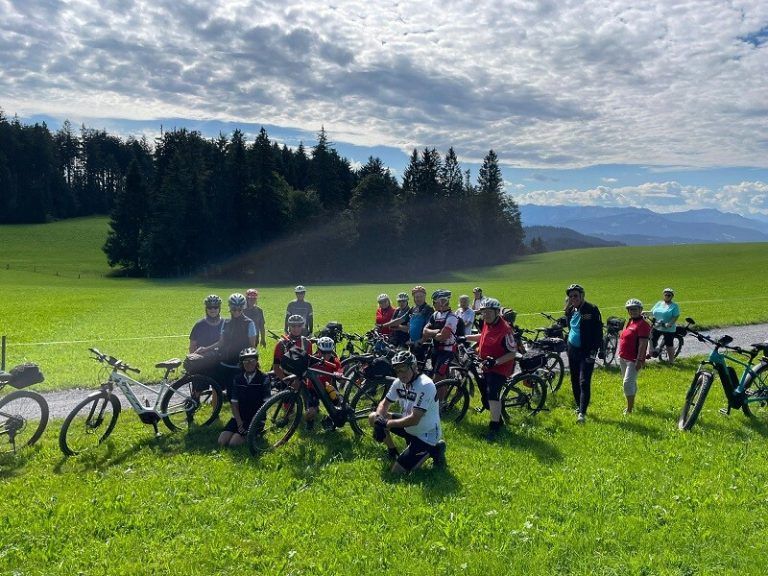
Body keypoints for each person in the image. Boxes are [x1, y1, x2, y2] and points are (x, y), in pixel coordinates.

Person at [368, 350, 446, 474]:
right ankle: (393, 452)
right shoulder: (399, 382)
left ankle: (435, 449)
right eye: (397, 370)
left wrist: (386, 424)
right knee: (373, 417)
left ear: (414, 367)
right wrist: (378, 420)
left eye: (403, 369)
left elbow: (414, 419)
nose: (400, 374)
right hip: (408, 428)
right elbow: (384, 403)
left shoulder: (425, 385)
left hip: (425, 434)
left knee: (397, 473)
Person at [464, 297, 517, 440]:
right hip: (486, 363)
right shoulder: (488, 323)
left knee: (492, 393)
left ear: (496, 312)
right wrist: (465, 337)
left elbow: (512, 353)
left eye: (488, 312)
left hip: (500, 367)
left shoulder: (505, 330)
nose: (485, 315)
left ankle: (494, 427)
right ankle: (498, 417)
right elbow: (483, 336)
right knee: (485, 392)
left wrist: (495, 362)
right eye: (483, 312)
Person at [197, 293, 257, 395]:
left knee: (239, 395)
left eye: (239, 309)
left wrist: (252, 363)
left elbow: (252, 346)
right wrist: (205, 349)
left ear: (243, 308)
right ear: (229, 307)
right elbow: (221, 343)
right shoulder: (226, 323)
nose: (236, 311)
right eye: (234, 309)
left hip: (240, 365)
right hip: (225, 363)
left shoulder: (249, 323)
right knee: (220, 391)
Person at [564, 283, 603, 424]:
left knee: (584, 381)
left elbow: (598, 331)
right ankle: (578, 406)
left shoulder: (591, 309)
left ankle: (582, 413)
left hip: (587, 351)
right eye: (571, 296)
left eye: (575, 296)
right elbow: (570, 327)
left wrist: (596, 350)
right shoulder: (570, 310)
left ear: (582, 296)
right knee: (574, 379)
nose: (573, 298)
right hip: (572, 349)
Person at [218, 348, 269, 447]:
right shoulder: (238, 379)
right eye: (246, 361)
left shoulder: (264, 378)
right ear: (242, 363)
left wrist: (254, 422)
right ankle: (243, 431)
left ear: (256, 362)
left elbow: (266, 405)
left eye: (252, 360)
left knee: (233, 443)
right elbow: (234, 404)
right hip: (240, 416)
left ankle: (257, 433)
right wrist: (239, 422)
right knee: (222, 441)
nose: (249, 363)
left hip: (255, 418)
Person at [617, 299, 650, 415]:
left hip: (634, 359)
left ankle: (629, 409)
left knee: (627, 383)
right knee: (629, 382)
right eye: (630, 309)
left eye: (635, 309)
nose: (632, 311)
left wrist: (640, 359)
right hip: (623, 357)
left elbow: (643, 344)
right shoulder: (629, 321)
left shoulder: (643, 325)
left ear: (640, 310)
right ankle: (632, 403)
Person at [422, 289, 459, 386]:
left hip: (447, 351)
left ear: (443, 302)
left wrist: (431, 333)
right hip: (435, 349)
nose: (433, 304)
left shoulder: (452, 317)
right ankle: (442, 395)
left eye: (435, 302)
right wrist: (437, 332)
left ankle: (439, 396)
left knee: (438, 379)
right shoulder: (435, 314)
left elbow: (442, 337)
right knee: (440, 378)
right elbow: (424, 331)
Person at [273, 314, 314, 381]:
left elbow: (309, 365)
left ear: (302, 326)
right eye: (293, 326)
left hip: (302, 378)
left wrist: (300, 381)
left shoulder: (307, 343)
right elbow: (276, 367)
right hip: (285, 378)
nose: (296, 329)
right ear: (289, 326)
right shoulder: (281, 344)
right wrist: (287, 383)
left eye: (299, 326)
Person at [649, 288, 680, 363]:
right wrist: (643, 313)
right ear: (663, 295)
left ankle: (671, 361)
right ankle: (653, 352)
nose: (667, 296)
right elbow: (652, 312)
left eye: (669, 295)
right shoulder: (659, 303)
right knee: (651, 340)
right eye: (666, 295)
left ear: (672, 296)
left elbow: (676, 316)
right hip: (657, 326)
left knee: (669, 345)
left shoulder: (674, 306)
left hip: (668, 328)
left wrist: (670, 324)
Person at [407, 286, 434, 363]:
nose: (419, 299)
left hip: (423, 344)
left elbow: (429, 327)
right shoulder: (412, 309)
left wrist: (421, 341)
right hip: (413, 343)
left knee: (421, 365)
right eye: (416, 297)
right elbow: (405, 322)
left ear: (425, 296)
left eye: (421, 296)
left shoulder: (428, 309)